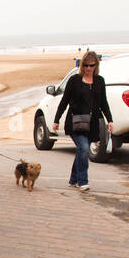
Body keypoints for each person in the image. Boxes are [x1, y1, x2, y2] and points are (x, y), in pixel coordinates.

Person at [51, 50, 113, 190]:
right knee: (84, 149)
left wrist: (110, 120)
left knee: (81, 150)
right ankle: (83, 181)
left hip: (92, 124)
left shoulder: (99, 81)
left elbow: (104, 102)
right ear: (82, 66)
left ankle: (73, 179)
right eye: (86, 65)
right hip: (75, 122)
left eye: (91, 65)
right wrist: (56, 120)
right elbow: (64, 101)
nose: (88, 69)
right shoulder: (74, 81)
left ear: (96, 65)